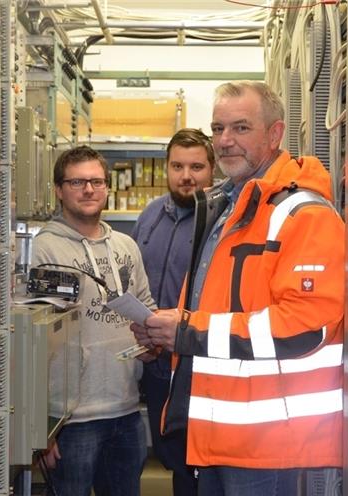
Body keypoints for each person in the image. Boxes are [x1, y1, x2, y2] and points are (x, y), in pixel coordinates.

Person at [131, 81, 345, 496]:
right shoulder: (229, 208)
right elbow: (218, 307)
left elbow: (304, 326)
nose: (225, 142)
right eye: (217, 128)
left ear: (275, 134)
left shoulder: (303, 214)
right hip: (220, 435)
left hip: (270, 443)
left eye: (241, 128)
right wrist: (166, 331)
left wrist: (187, 331)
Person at [33, 145, 155, 496]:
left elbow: (145, 304)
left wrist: (151, 342)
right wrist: (43, 424)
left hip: (126, 409)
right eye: (77, 182)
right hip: (71, 419)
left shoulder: (126, 245)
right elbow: (36, 339)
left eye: (96, 182)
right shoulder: (46, 249)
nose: (89, 190)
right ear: (58, 190)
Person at [131, 128, 215, 496]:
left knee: (195, 463)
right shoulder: (149, 217)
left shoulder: (221, 221)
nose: (186, 176)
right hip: (156, 361)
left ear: (213, 170)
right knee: (169, 455)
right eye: (177, 165)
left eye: (196, 166)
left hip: (197, 362)